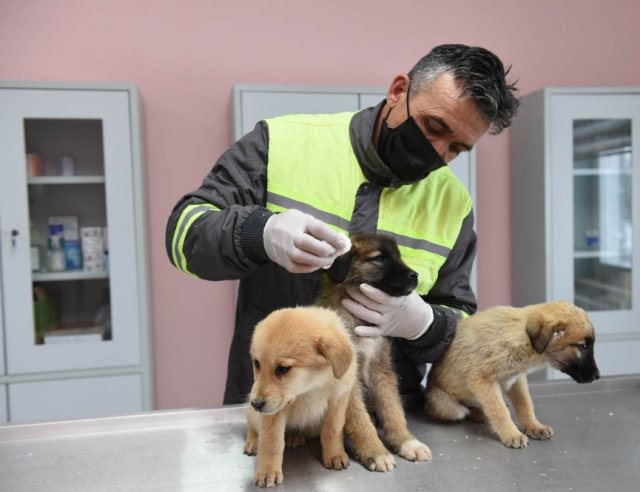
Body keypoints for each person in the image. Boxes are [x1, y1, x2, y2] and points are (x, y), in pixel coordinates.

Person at [165, 44, 520, 405]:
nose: (437, 151)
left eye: (457, 148)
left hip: (389, 422)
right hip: (277, 408)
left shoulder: (453, 204)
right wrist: (259, 233)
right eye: (432, 126)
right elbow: (184, 234)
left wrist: (426, 325)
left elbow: (460, 324)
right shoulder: (283, 143)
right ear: (399, 91)